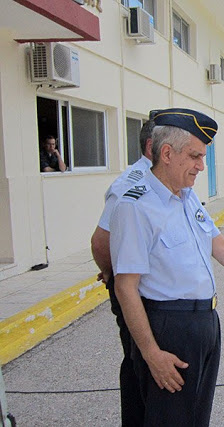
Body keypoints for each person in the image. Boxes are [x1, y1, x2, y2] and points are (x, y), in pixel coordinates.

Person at [109, 108, 224, 426]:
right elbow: (125, 286)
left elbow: (218, 245)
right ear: (167, 153)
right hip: (168, 329)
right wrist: (151, 353)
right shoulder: (135, 206)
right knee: (168, 418)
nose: (201, 166)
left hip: (205, 324)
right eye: (195, 156)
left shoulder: (187, 197)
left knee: (195, 417)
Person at [90, 117, 155, 426]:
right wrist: (112, 274)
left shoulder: (162, 178)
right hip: (133, 289)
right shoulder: (132, 182)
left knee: (144, 360)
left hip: (151, 290)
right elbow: (101, 241)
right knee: (138, 359)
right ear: (154, 146)